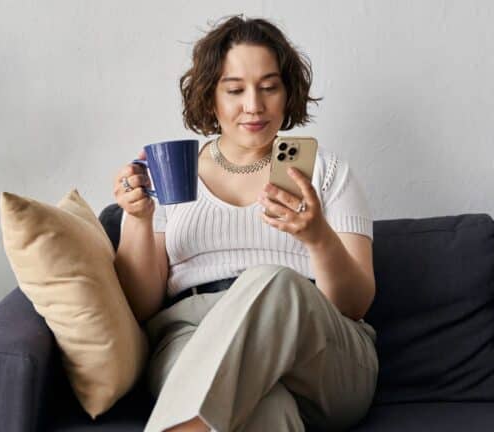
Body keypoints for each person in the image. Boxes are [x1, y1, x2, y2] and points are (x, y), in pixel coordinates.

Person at [113, 15, 378, 432]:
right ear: (210, 97)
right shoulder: (171, 173)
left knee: (275, 281)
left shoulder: (327, 172)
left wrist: (318, 239)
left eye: (269, 87)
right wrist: (138, 218)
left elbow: (355, 305)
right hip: (194, 335)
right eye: (235, 90)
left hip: (322, 353)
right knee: (265, 410)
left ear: (287, 93)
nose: (254, 105)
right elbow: (141, 306)